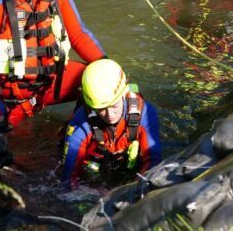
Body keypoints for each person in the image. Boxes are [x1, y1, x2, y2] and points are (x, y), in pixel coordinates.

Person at [60, 59, 161, 187]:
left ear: (124, 93)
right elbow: (69, 178)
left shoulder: (145, 113)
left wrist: (132, 190)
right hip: (91, 172)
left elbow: (153, 161)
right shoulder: (80, 124)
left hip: (127, 168)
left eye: (114, 105)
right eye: (101, 109)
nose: (109, 114)